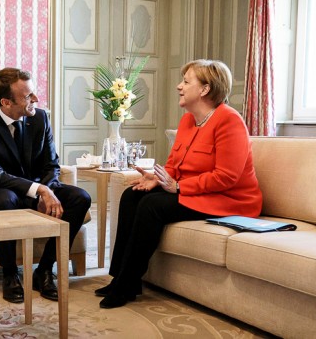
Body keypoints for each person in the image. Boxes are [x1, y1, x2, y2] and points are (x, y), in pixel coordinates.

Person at [96, 59, 263, 309]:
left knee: (152, 205)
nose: (179, 86)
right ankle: (120, 277)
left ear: (205, 89)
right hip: (197, 193)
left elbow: (227, 176)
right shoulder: (187, 121)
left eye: (186, 81)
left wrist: (180, 187)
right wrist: (157, 178)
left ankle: (128, 282)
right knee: (132, 195)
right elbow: (174, 163)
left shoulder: (230, 121)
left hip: (229, 200)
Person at [0, 68, 91, 303]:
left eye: (34, 93)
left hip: (38, 187)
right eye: (28, 96)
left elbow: (51, 165)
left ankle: (44, 270)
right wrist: (40, 192)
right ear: (5, 102)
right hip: (0, 191)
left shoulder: (40, 117)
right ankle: (10, 274)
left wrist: (47, 190)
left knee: (81, 197)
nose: (35, 99)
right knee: (6, 200)